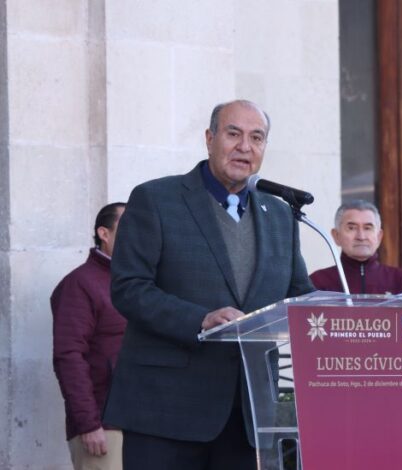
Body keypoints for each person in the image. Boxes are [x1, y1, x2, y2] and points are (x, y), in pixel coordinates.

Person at [103, 100, 314, 470]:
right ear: (209, 138)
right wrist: (199, 319)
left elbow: (298, 295)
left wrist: (344, 314)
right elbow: (129, 287)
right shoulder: (156, 199)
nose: (244, 147)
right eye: (233, 134)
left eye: (256, 137)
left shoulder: (280, 214)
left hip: (248, 414)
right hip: (166, 412)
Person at [51, 202, 126, 470]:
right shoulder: (80, 283)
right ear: (104, 234)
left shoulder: (140, 284)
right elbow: (68, 356)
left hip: (145, 423)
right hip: (104, 427)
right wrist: (88, 423)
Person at [309, 199, 402, 294]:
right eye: (351, 228)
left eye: (367, 228)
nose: (361, 237)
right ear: (336, 236)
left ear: (379, 236)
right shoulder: (318, 282)